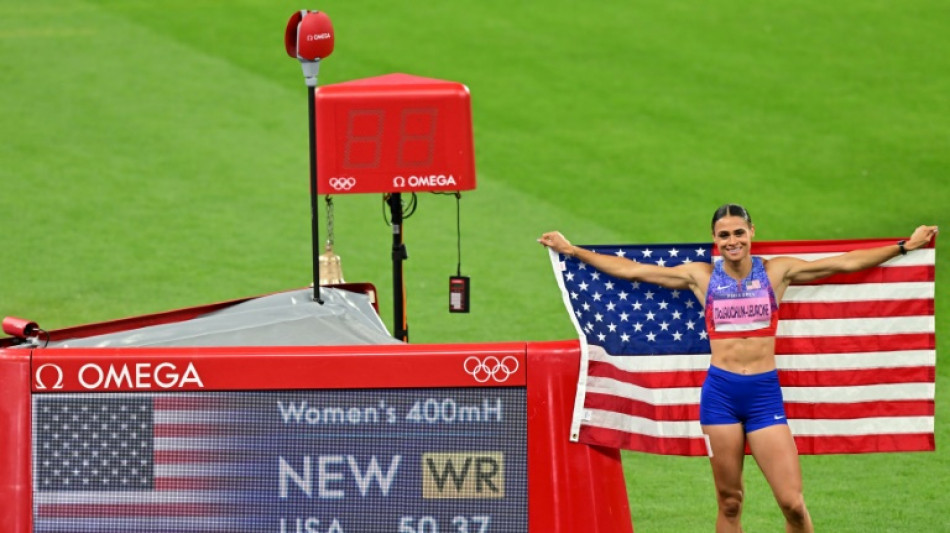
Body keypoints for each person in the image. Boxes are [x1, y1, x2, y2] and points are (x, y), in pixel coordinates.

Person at [538, 204, 938, 533]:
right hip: (721, 397)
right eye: (724, 235)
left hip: (764, 396)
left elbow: (845, 263)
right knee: (730, 503)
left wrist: (905, 246)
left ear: (751, 233)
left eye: (738, 233)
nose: (732, 241)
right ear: (715, 240)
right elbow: (632, 270)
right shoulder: (700, 276)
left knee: (793, 503)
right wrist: (573, 251)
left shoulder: (777, 271)